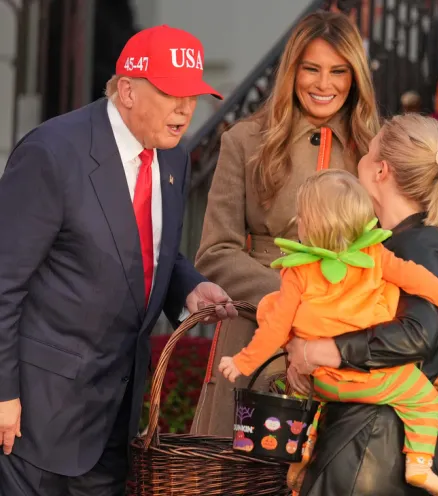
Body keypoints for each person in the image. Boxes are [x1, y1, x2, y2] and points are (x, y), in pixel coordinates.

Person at [0, 25, 238, 496]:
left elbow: (149, 250)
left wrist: (187, 287)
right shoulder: (52, 152)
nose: (186, 109)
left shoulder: (173, 158)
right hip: (35, 420)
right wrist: (3, 394)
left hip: (116, 417)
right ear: (127, 90)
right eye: (172, 93)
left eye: (192, 95)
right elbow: (4, 283)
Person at [220, 169, 438, 496]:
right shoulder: (376, 256)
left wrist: (243, 362)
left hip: (323, 380)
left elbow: (276, 327)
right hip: (373, 382)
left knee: (275, 314)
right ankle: (419, 465)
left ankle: (302, 454)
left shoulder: (297, 272)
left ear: (306, 225)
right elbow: (418, 280)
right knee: (424, 398)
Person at [190, 11, 380, 437]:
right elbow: (215, 252)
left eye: (338, 71)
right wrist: (293, 305)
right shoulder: (243, 140)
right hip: (257, 326)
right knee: (244, 473)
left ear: (355, 77)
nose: (323, 84)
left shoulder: (375, 148)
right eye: (310, 69)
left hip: (345, 339)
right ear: (291, 71)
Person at [282, 113, 438, 496]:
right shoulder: (383, 243)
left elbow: (417, 334)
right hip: (363, 434)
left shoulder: (419, 245)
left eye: (367, 154)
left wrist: (326, 350)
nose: (360, 161)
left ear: (381, 170)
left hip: (375, 444)